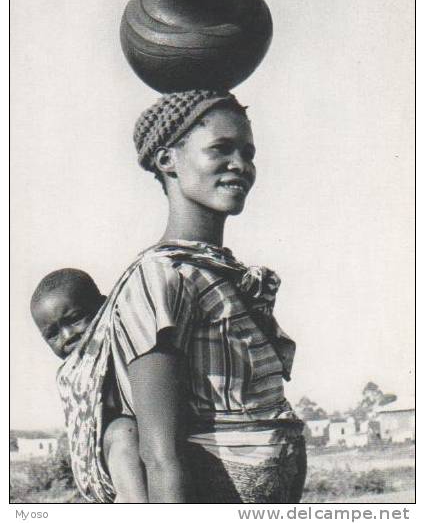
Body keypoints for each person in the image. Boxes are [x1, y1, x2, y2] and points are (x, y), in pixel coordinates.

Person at [52, 89, 307, 503]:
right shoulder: (159, 278)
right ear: (167, 160)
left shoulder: (217, 272)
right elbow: (159, 456)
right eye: (220, 149)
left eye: (248, 152)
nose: (241, 165)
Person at [30, 268, 148, 503]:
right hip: (112, 461)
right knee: (123, 431)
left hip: (141, 458)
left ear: (102, 306)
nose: (67, 336)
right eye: (52, 334)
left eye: (74, 319)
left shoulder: (124, 345)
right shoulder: (71, 374)